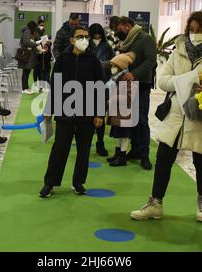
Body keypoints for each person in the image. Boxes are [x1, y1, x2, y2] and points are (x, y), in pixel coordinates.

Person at [130, 11, 202, 222]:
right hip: (176, 115)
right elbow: (163, 81)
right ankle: (155, 203)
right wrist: (188, 80)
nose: (195, 34)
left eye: (200, 30)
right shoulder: (179, 51)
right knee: (164, 160)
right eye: (192, 29)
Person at [39, 26, 105, 198]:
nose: (84, 39)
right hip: (64, 112)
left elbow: (100, 87)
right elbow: (56, 85)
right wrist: (50, 108)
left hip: (87, 112)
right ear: (72, 40)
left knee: (83, 151)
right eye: (80, 36)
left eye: (86, 37)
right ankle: (50, 183)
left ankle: (78, 183)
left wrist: (99, 113)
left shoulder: (93, 60)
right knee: (60, 148)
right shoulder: (63, 59)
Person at [115, 16, 157, 170]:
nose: (119, 32)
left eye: (120, 29)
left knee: (141, 120)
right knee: (128, 119)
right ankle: (135, 150)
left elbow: (151, 60)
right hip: (125, 85)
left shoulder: (145, 39)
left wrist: (135, 74)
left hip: (141, 85)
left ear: (127, 25)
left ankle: (144, 155)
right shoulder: (127, 41)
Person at [89, 23, 115, 157]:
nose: (97, 35)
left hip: (104, 82)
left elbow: (113, 61)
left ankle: (100, 143)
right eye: (95, 32)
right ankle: (86, 143)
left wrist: (102, 64)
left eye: (99, 33)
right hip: (87, 82)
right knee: (87, 114)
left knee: (100, 114)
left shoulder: (107, 46)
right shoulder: (86, 44)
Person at [106, 52, 136, 167]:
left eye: (114, 66)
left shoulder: (128, 79)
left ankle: (122, 156)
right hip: (119, 111)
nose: (112, 68)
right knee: (119, 134)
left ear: (120, 67)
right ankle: (118, 153)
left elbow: (129, 97)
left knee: (124, 135)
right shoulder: (117, 78)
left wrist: (113, 98)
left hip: (125, 112)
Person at [19, 21, 41, 95]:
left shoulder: (29, 31)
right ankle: (24, 88)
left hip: (28, 54)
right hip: (26, 54)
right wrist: (36, 43)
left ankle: (26, 87)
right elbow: (26, 42)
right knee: (25, 71)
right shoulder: (27, 31)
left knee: (27, 71)